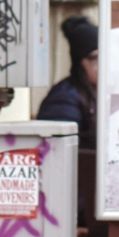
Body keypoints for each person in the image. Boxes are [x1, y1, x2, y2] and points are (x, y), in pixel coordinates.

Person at [38, 16, 98, 149]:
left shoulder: (94, 91)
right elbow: (58, 148)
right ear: (81, 63)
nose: (104, 65)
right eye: (95, 58)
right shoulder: (63, 98)